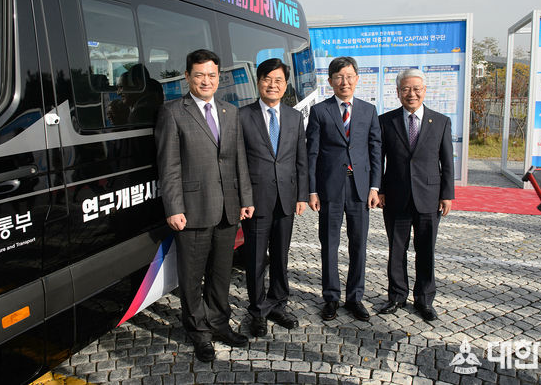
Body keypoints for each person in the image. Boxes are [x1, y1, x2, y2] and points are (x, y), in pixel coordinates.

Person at [154, 49, 255, 362]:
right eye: (199, 75)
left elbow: (239, 159)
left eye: (212, 75)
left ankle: (219, 323)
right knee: (191, 276)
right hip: (192, 209)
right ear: (187, 77)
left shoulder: (230, 111)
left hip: (228, 208)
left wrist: (246, 199)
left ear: (219, 77)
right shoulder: (172, 112)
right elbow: (168, 165)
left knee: (221, 274)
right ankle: (199, 332)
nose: (206, 81)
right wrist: (173, 207)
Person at [306, 56, 381, 322]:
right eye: (339, 77)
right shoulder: (320, 111)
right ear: (330, 81)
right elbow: (312, 153)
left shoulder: (369, 111)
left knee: (358, 245)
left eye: (349, 76)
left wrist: (375, 186)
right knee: (329, 244)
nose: (344, 82)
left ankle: (355, 297)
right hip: (330, 189)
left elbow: (375, 150)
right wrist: (312, 190)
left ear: (357, 79)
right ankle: (331, 297)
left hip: (360, 188)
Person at [377, 68, 454, 322]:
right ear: (398, 92)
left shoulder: (440, 122)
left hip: (429, 197)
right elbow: (379, 160)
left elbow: (447, 161)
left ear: (424, 91)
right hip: (395, 197)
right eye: (406, 89)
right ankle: (397, 296)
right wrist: (380, 190)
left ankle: (425, 299)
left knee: (426, 250)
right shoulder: (385, 121)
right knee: (396, 250)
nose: (411, 94)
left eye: (416, 89)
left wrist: (447, 194)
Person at [239, 58, 309, 337]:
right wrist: (244, 198)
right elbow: (239, 162)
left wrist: (301, 195)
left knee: (281, 255)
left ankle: (278, 303)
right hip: (256, 200)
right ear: (258, 82)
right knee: (256, 258)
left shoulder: (294, 117)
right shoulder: (243, 116)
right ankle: (257, 310)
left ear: (285, 85)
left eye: (278, 80)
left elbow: (301, 159)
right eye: (267, 79)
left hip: (286, 198)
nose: (272, 85)